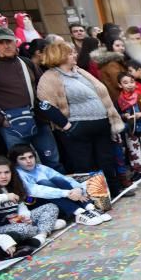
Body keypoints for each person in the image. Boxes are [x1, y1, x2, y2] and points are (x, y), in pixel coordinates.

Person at [36, 42, 125, 196]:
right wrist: (67, 126)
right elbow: (45, 105)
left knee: (107, 160)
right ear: (60, 56)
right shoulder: (50, 77)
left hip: (101, 124)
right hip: (78, 128)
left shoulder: (80, 72)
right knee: (86, 164)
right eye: (70, 53)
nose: (75, 55)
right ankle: (98, 198)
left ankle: (114, 192)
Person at [0, 27, 63, 170]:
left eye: (9, 41)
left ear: (16, 42)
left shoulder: (26, 62)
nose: (6, 45)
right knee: (22, 166)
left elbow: (43, 88)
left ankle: (64, 191)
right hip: (10, 123)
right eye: (1, 42)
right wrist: (0, 120)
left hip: (38, 119)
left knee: (53, 161)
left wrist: (49, 113)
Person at [0, 155, 59, 254]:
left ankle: (41, 236)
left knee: (50, 207)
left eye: (7, 172)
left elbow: (21, 205)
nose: (4, 176)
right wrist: (3, 197)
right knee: (24, 229)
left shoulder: (11, 185)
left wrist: (24, 216)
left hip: (15, 221)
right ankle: (47, 227)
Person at [9, 144, 106, 225]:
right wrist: (67, 193)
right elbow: (35, 191)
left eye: (31, 157)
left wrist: (77, 189)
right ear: (16, 162)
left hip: (57, 198)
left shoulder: (40, 167)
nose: (29, 161)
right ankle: (78, 212)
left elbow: (63, 178)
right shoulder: (18, 173)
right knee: (44, 183)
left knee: (58, 180)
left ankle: (89, 207)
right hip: (31, 201)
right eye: (23, 159)